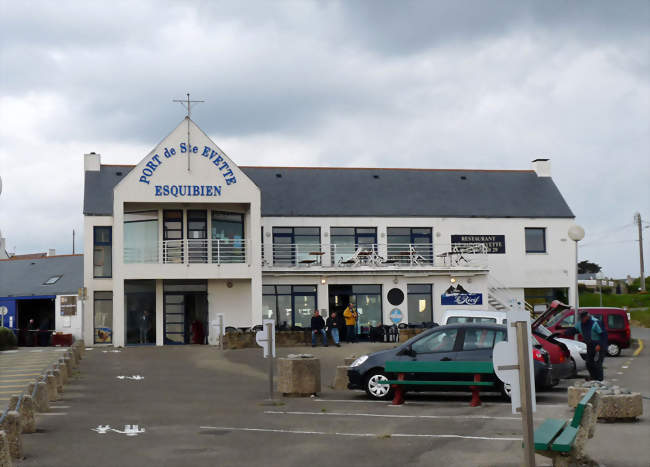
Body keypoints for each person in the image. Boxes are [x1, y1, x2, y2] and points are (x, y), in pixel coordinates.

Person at [565, 310, 608, 381]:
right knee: (589, 363)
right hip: (590, 345)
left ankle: (600, 380)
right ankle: (593, 377)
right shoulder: (580, 324)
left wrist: (599, 345)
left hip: (599, 345)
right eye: (581, 318)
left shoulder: (595, 322)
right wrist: (564, 332)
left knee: (598, 363)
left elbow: (603, 335)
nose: (582, 320)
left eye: (583, 318)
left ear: (587, 317)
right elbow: (573, 330)